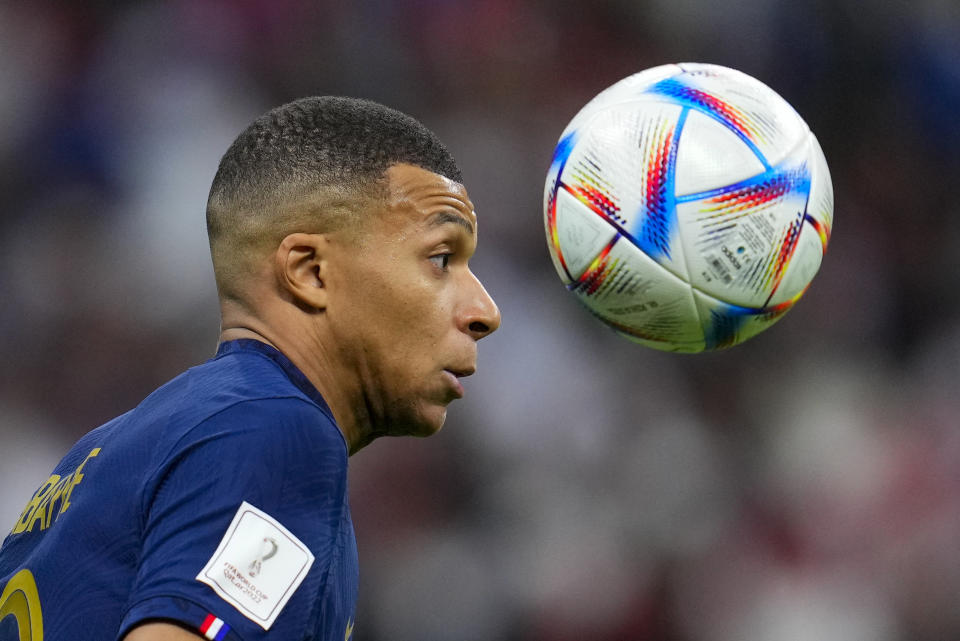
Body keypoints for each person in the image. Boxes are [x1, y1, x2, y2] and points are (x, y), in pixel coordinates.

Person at [0, 96, 501, 641]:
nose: (485, 312)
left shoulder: (115, 448)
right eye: (440, 258)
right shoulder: (278, 432)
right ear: (310, 271)